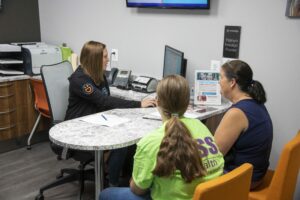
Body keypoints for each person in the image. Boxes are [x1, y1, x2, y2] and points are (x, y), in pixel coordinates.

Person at [99, 75, 224, 200]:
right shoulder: (200, 126)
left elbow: (138, 190)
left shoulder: (151, 141)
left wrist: (137, 178)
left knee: (106, 194)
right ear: (187, 104)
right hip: (212, 195)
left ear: (157, 101)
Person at [65, 40, 156, 187]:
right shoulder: (80, 80)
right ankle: (112, 184)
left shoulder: (99, 76)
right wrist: (138, 104)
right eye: (105, 57)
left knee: (133, 135)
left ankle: (126, 177)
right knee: (121, 141)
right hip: (78, 129)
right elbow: (104, 101)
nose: (108, 60)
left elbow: (107, 100)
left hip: (98, 122)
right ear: (95, 59)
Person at [214, 60, 273, 190]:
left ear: (232, 82)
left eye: (221, 77)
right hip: (255, 175)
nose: (219, 81)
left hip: (243, 179)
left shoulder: (236, 113)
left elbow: (214, 156)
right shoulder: (256, 103)